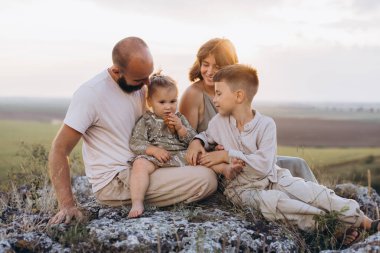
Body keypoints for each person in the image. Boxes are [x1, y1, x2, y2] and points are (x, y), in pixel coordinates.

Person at [186, 64, 380, 244]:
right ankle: (332, 228)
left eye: (219, 93)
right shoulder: (218, 123)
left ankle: (366, 223)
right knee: (283, 206)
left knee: (315, 193)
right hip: (243, 190)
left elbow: (264, 164)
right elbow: (206, 136)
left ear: (238, 96)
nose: (215, 99)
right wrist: (197, 141)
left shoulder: (266, 125)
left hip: (273, 177)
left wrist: (227, 154)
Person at [48, 37, 217, 225]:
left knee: (205, 163)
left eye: (148, 75)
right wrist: (67, 205)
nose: (147, 83)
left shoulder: (140, 86)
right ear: (116, 71)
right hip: (116, 180)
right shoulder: (91, 94)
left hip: (146, 165)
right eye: (139, 79)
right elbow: (59, 150)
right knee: (206, 179)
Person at [179, 38, 317, 182]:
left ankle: (323, 197)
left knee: (297, 164)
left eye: (218, 67)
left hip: (243, 156)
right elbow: (185, 140)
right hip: (219, 164)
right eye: (205, 65)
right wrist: (201, 145)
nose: (210, 71)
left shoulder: (234, 92)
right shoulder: (193, 95)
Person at [128, 72, 197, 218]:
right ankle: (137, 201)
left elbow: (193, 140)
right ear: (150, 102)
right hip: (157, 158)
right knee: (139, 164)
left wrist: (180, 129)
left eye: (173, 101)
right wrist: (153, 150)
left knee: (200, 156)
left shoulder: (180, 118)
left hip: (179, 155)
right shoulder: (147, 120)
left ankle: (223, 169)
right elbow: (135, 142)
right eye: (162, 102)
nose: (168, 107)